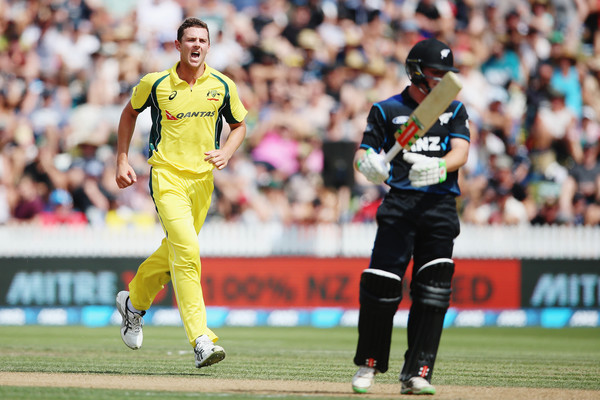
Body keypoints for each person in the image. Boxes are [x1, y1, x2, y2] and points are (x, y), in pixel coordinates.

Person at [114, 17, 247, 369]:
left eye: (202, 40)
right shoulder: (155, 83)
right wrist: (122, 159)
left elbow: (239, 126)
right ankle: (201, 340)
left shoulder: (223, 85)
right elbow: (128, 114)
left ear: (209, 46)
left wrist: (227, 152)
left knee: (176, 249)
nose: (196, 45)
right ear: (178, 45)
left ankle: (133, 303)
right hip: (166, 176)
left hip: (203, 181)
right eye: (190, 40)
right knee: (187, 251)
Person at [351, 38, 470, 395]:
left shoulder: (454, 109)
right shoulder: (386, 109)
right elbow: (364, 153)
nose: (442, 80)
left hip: (440, 206)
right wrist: (367, 165)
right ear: (416, 72)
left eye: (446, 73)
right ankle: (369, 363)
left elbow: (461, 151)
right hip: (400, 205)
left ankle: (418, 373)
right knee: (381, 284)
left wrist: (440, 166)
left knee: (433, 290)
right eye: (435, 73)